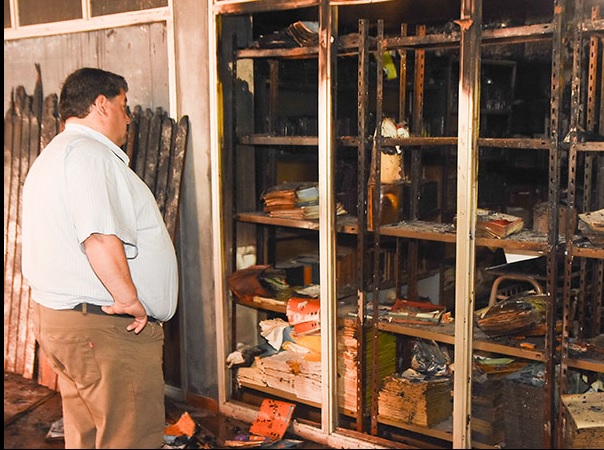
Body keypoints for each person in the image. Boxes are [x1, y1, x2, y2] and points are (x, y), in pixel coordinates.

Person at [21, 67, 178, 449]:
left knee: (87, 435)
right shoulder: (90, 156)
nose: (128, 117)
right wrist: (129, 300)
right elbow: (98, 236)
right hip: (103, 329)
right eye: (124, 106)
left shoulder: (53, 156)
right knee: (130, 437)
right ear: (101, 104)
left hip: (67, 323)